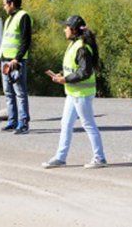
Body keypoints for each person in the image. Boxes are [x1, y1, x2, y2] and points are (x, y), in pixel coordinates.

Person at [42, 15, 107, 169]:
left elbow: (84, 72)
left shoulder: (82, 47)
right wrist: (61, 75)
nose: (64, 30)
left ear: (74, 30)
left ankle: (100, 158)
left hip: (81, 94)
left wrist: (65, 79)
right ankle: (60, 158)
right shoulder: (75, 44)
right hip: (73, 93)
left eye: (66, 27)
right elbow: (72, 67)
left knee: (88, 124)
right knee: (66, 124)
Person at [0, 0, 32, 134]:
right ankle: (12, 121)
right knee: (8, 92)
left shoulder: (23, 17)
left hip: (16, 62)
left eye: (5, 4)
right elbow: (5, 41)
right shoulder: (9, 19)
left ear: (11, 4)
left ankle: (23, 123)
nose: (3, 7)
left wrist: (17, 58)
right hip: (5, 60)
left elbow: (26, 41)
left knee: (20, 92)